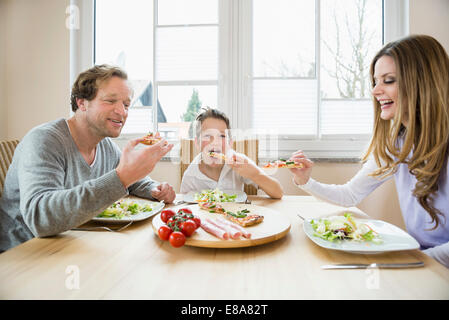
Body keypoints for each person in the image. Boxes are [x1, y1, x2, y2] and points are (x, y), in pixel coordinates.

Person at [288, 35, 449, 268]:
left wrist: (420, 261)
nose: (375, 91)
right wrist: (306, 181)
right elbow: (350, 195)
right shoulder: (397, 145)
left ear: (422, 83)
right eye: (375, 81)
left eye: (389, 80)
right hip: (424, 260)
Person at [0, 64, 176, 252]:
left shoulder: (105, 146)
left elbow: (132, 181)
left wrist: (155, 189)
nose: (122, 112)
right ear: (81, 103)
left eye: (126, 104)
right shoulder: (45, 141)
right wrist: (122, 177)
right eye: (110, 101)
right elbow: (40, 219)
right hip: (25, 254)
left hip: (72, 241)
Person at [180, 108, 283, 199]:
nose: (215, 142)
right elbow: (184, 206)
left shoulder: (239, 163)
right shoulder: (191, 175)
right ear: (197, 143)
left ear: (230, 143)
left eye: (222, 136)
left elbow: (278, 192)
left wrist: (254, 174)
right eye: (207, 136)